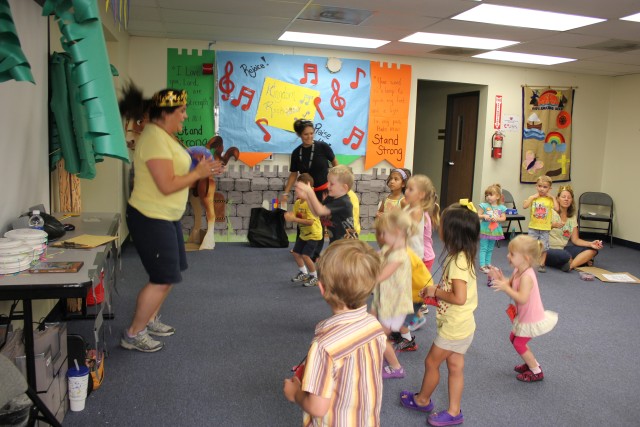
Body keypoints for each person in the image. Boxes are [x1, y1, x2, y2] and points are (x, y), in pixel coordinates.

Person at [121, 88, 223, 353]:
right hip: (151, 218)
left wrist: (203, 167)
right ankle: (133, 334)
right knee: (161, 277)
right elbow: (166, 184)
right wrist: (198, 171)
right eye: (181, 111)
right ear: (166, 112)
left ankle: (150, 319)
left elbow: (179, 168)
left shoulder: (166, 136)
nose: (185, 116)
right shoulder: (154, 138)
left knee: (170, 275)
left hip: (167, 217)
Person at [283, 239, 386, 426]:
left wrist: (295, 394)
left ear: (321, 288)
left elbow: (317, 407)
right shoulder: (374, 326)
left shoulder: (323, 347)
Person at [399, 201, 479, 427]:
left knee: (431, 362)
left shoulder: (457, 263)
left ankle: (423, 400)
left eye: (441, 224)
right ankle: (454, 412)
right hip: (463, 324)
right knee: (455, 366)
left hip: (454, 327)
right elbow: (457, 296)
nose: (437, 226)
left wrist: (436, 290)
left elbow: (459, 298)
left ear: (451, 232)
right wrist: (435, 296)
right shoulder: (463, 256)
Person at [489, 235, 559, 382]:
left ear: (526, 258)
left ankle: (536, 370)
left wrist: (505, 288)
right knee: (513, 338)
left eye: (512, 254)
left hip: (531, 317)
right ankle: (530, 363)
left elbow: (522, 298)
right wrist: (501, 280)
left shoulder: (527, 276)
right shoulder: (518, 270)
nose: (508, 256)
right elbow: (511, 283)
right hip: (523, 315)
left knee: (518, 343)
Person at [371, 210, 418, 379]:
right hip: (383, 299)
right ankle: (386, 353)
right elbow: (375, 257)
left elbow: (380, 277)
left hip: (394, 305)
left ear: (397, 232)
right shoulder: (389, 247)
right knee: (373, 328)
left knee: (378, 336)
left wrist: (358, 279)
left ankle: (396, 367)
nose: (381, 236)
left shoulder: (400, 256)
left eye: (384, 233)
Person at [283, 119, 338, 256]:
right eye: (306, 134)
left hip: (323, 192)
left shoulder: (322, 147)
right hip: (305, 193)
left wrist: (339, 183)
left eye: (312, 133)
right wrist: (286, 192)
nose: (309, 137)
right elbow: (293, 174)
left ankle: (315, 251)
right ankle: (300, 246)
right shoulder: (296, 153)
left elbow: (336, 164)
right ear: (299, 135)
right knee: (302, 217)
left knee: (321, 222)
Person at [403, 174, 440, 324]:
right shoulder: (410, 208)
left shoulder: (417, 211)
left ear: (421, 195)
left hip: (421, 256)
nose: (406, 192)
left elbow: (408, 231)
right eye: (407, 188)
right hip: (413, 254)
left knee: (414, 288)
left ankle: (416, 314)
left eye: (410, 189)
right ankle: (416, 314)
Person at [547, 185, 603, 271]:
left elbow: (575, 240)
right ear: (557, 198)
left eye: (569, 197)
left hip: (563, 248)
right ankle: (578, 262)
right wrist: (552, 226)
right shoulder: (551, 212)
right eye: (563, 197)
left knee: (593, 250)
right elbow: (540, 230)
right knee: (565, 255)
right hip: (549, 249)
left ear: (571, 200)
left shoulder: (572, 216)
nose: (566, 199)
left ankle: (570, 266)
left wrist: (591, 244)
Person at [295, 165, 357, 242]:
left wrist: (310, 192)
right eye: (328, 182)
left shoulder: (343, 202)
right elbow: (316, 213)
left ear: (344, 188)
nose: (328, 186)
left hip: (347, 244)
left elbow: (320, 210)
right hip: (335, 242)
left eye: (332, 184)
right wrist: (307, 198)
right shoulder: (330, 198)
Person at [284, 173, 323, 287]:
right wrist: (289, 216)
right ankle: (304, 273)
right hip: (304, 234)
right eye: (296, 187)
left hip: (314, 234)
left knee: (306, 255)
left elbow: (310, 222)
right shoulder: (297, 203)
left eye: (300, 188)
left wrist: (294, 218)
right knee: (296, 253)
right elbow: (296, 215)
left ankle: (314, 277)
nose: (296, 190)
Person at [523, 175, 559, 273]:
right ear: (536, 186)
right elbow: (525, 206)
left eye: (545, 187)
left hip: (545, 228)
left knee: (544, 246)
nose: (542, 189)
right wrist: (532, 198)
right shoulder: (533, 198)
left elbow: (557, 208)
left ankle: (542, 264)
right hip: (533, 227)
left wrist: (553, 197)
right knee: (530, 246)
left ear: (549, 188)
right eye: (539, 186)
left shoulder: (549, 200)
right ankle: (527, 263)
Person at [478, 183, 507, 273]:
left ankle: (488, 264)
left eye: (491, 195)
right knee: (484, 247)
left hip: (494, 230)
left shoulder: (501, 207)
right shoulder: (484, 205)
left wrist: (497, 218)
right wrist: (484, 216)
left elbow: (503, 218)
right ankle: (482, 265)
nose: (488, 197)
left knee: (490, 248)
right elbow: (478, 215)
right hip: (485, 230)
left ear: (497, 196)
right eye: (487, 195)